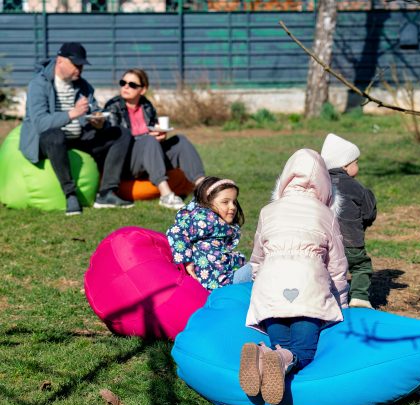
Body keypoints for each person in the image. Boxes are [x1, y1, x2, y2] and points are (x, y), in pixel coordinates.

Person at [239, 148, 349, 405]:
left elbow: (257, 259)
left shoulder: (268, 211)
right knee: (303, 351)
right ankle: (279, 359)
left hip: (270, 288)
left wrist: (259, 286)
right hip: (309, 288)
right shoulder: (325, 214)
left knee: (281, 342)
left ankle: (264, 355)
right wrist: (341, 301)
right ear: (325, 185)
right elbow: (337, 265)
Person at [19, 42, 134, 215]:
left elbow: (94, 110)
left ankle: (107, 192)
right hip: (47, 140)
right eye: (76, 65)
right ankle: (70, 194)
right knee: (55, 135)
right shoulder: (39, 84)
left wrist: (98, 122)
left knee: (121, 133)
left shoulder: (83, 85)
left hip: (78, 137)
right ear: (60, 61)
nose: (79, 70)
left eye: (81, 66)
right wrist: (72, 113)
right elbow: (40, 123)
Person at [104, 68, 206, 210]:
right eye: (123, 83)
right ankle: (166, 195)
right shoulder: (113, 107)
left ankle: (204, 188)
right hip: (127, 161)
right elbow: (116, 140)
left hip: (150, 157)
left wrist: (161, 136)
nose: (126, 87)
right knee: (149, 140)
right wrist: (147, 138)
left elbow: (152, 132)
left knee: (180, 141)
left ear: (143, 89)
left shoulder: (146, 106)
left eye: (132, 84)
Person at [321, 133, 377, 309]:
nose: (357, 166)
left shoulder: (320, 184)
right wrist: (363, 223)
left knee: (326, 268)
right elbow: (369, 213)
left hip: (323, 242)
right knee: (360, 266)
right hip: (351, 241)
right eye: (356, 162)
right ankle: (360, 298)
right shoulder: (356, 187)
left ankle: (328, 297)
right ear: (345, 165)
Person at [166, 176, 248, 291]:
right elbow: (176, 231)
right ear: (207, 202)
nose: (233, 207)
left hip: (225, 278)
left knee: (260, 268)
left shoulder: (217, 224)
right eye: (225, 202)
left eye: (234, 202)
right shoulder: (203, 219)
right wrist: (187, 262)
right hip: (217, 284)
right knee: (259, 268)